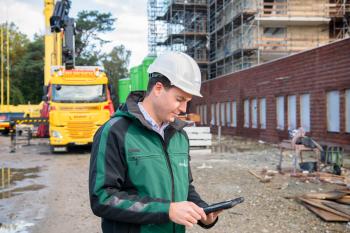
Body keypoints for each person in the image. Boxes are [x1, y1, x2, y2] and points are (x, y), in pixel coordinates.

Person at [89, 51, 221, 233]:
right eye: (179, 99)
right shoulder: (116, 132)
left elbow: (185, 188)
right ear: (158, 88)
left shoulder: (179, 135)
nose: (183, 109)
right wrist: (166, 210)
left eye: (187, 101)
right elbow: (102, 198)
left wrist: (202, 211)